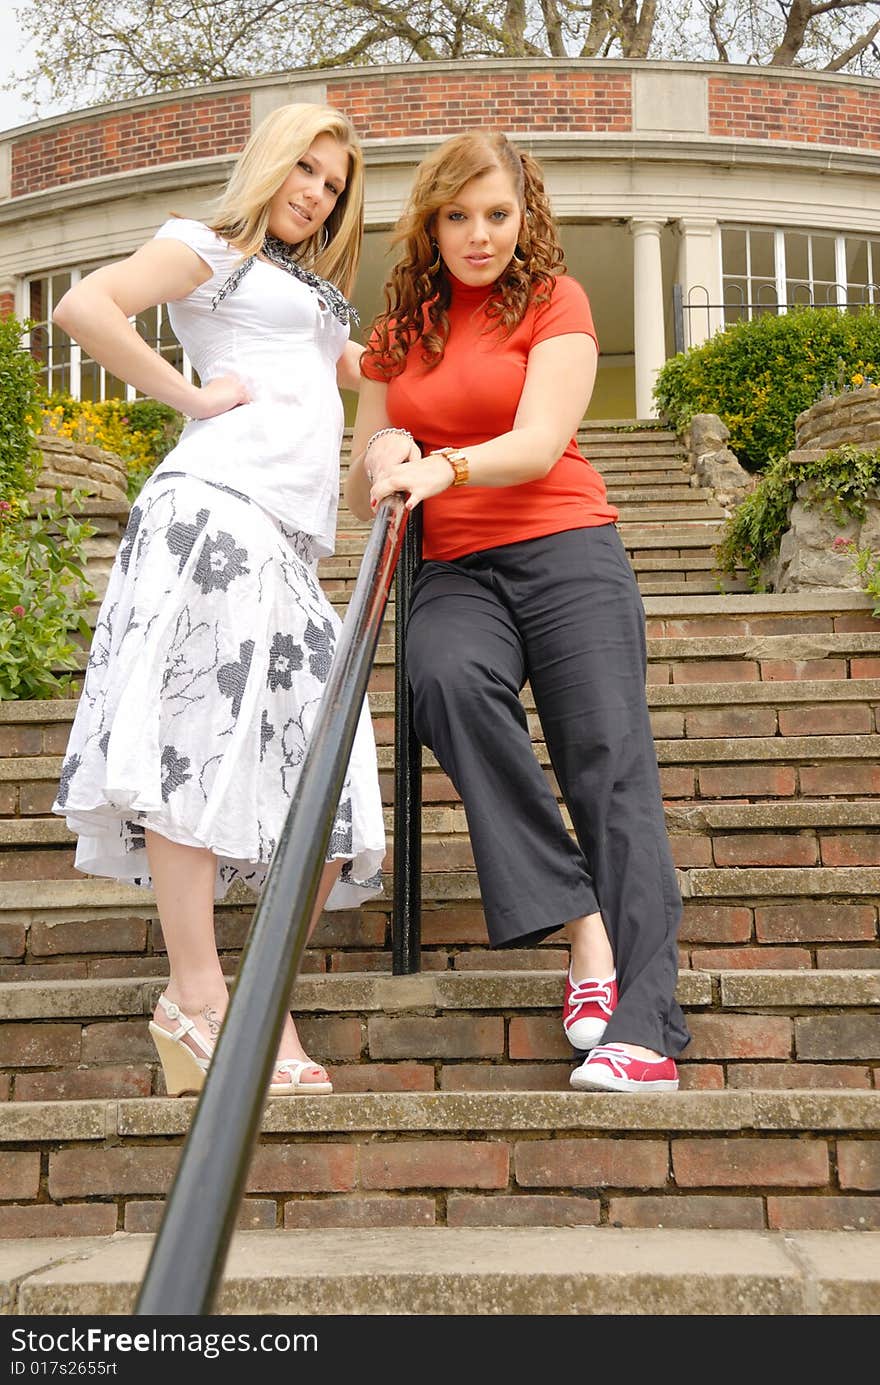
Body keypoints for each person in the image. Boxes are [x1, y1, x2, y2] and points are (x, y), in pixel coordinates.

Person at [51, 103, 384, 1098]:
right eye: (305, 170)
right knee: (192, 744)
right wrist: (194, 398)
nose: (315, 193)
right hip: (211, 514)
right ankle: (202, 998)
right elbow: (84, 307)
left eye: (331, 184)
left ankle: (257, 997)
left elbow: (375, 373)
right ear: (270, 162)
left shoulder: (310, 289)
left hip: (282, 544)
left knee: (332, 780)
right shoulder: (208, 247)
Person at [348, 130, 689, 1092]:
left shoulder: (555, 300)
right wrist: (381, 460)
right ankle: (585, 925)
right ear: (431, 221)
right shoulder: (399, 326)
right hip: (456, 569)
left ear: (524, 214)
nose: (478, 235)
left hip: (566, 549)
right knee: (441, 679)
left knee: (607, 769)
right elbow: (361, 474)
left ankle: (646, 1027)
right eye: (457, 216)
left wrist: (438, 464)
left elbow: (540, 444)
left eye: (497, 214)